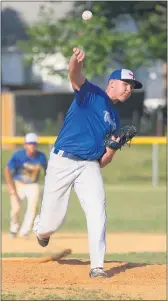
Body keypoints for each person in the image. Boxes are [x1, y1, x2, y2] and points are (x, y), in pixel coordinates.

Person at [33, 48, 143, 278]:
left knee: (97, 211)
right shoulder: (91, 93)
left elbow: (103, 161)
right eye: (126, 84)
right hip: (63, 160)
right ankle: (41, 230)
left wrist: (112, 149)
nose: (130, 89)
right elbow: (74, 74)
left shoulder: (114, 118)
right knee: (51, 223)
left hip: (89, 165)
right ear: (112, 83)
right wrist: (76, 60)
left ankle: (97, 266)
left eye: (132, 87)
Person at [5, 133, 48, 238]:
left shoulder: (41, 157)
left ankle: (24, 231)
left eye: (34, 144)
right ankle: (14, 229)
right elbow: (7, 169)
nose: (32, 146)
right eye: (29, 144)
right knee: (16, 208)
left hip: (33, 184)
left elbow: (48, 170)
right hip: (18, 183)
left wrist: (48, 186)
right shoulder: (18, 155)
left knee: (33, 208)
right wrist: (10, 185)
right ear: (25, 145)